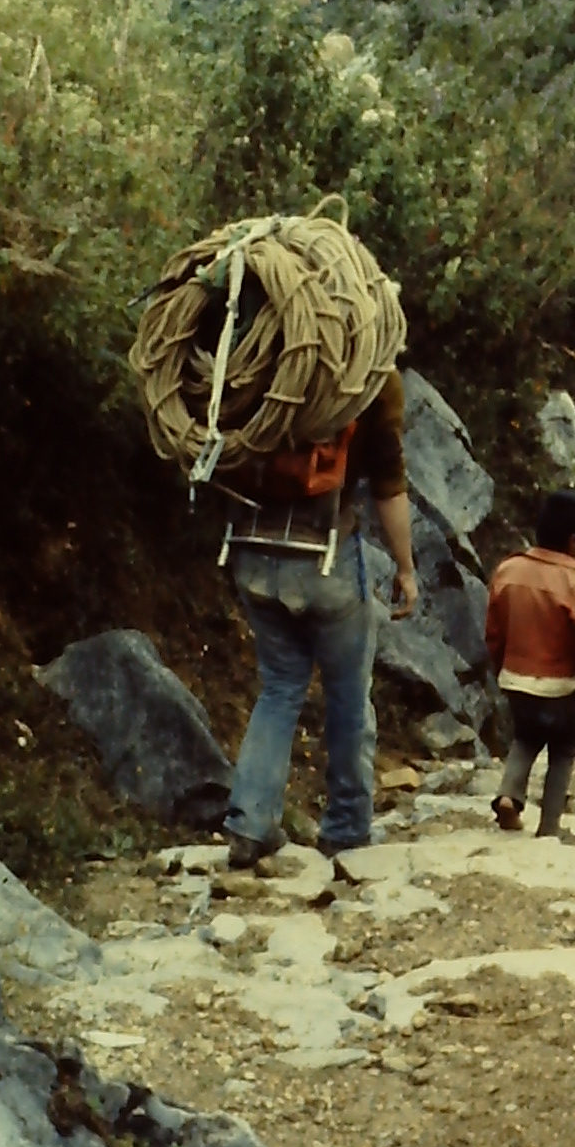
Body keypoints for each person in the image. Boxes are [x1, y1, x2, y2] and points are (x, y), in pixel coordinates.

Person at [221, 368, 418, 870]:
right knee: (349, 693)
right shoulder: (369, 375)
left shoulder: (257, 361)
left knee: (281, 685)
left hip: (250, 548)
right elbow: (389, 484)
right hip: (324, 554)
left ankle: (250, 824)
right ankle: (347, 829)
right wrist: (406, 567)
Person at [485, 490, 575, 836]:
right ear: (572, 540)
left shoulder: (508, 569)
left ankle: (508, 795)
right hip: (560, 683)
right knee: (563, 749)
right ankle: (549, 826)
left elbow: (493, 631)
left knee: (525, 737)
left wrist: (501, 665)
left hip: (515, 678)